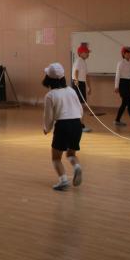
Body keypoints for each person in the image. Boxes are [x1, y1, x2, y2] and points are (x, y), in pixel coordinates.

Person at [42, 62, 84, 191]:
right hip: (77, 124)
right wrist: (78, 120)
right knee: (71, 154)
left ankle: (63, 180)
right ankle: (77, 166)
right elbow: (80, 109)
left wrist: (47, 128)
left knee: (56, 158)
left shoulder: (50, 95)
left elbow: (48, 116)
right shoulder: (71, 90)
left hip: (63, 126)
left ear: (48, 79)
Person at [114, 46, 130, 127]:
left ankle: (117, 120)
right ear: (123, 54)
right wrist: (116, 86)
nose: (129, 54)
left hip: (128, 84)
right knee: (129, 102)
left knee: (124, 103)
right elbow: (118, 75)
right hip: (122, 84)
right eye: (127, 53)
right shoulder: (120, 63)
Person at [71, 43, 92, 133]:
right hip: (77, 84)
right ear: (80, 53)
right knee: (80, 105)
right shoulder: (78, 61)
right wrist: (76, 80)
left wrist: (89, 87)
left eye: (88, 52)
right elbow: (76, 71)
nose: (88, 54)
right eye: (86, 52)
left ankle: (80, 125)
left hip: (82, 84)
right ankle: (79, 125)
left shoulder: (84, 62)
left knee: (82, 105)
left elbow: (87, 76)